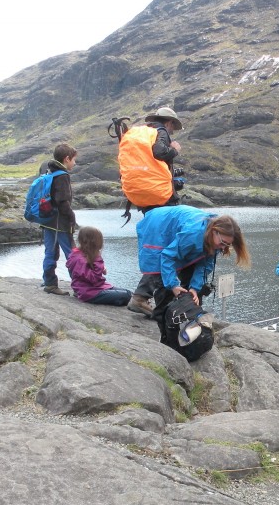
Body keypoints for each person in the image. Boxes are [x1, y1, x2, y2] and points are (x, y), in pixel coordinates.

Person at [135, 205, 250, 346]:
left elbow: (204, 264)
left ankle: (188, 330)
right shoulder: (193, 234)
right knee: (161, 279)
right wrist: (173, 285)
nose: (224, 247)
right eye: (223, 243)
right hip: (157, 225)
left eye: (228, 244)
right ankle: (165, 335)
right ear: (214, 231)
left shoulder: (216, 240)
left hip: (179, 225)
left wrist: (194, 288)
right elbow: (167, 257)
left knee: (191, 289)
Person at [126, 106, 185, 313]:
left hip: (145, 197)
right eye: (173, 129)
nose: (172, 133)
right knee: (166, 249)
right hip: (161, 198)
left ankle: (155, 299)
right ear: (168, 122)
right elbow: (160, 152)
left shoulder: (142, 134)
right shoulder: (160, 133)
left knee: (157, 246)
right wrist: (175, 150)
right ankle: (143, 297)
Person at [40, 143, 78, 296]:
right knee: (72, 254)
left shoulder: (49, 172)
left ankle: (49, 283)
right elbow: (63, 201)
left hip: (47, 220)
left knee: (50, 252)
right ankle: (79, 286)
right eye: (74, 160)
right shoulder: (62, 176)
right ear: (67, 159)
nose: (75, 163)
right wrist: (72, 218)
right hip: (60, 223)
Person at [65, 226, 132, 306]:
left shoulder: (79, 254)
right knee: (126, 295)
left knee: (128, 292)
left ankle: (114, 300)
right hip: (89, 292)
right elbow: (94, 279)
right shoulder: (79, 259)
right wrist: (99, 264)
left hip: (93, 288)